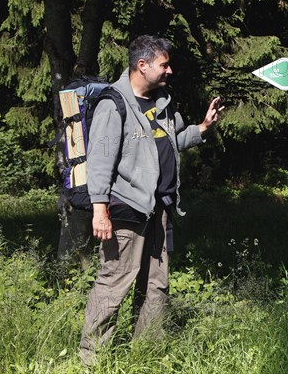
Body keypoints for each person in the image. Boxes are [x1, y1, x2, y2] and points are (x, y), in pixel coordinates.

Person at [79, 35, 223, 363]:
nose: (170, 70)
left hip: (159, 208)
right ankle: (92, 360)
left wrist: (202, 127)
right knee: (115, 282)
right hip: (126, 207)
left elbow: (168, 143)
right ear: (142, 66)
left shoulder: (162, 104)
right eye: (164, 64)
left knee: (156, 285)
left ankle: (147, 352)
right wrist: (99, 209)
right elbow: (100, 160)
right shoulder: (113, 103)